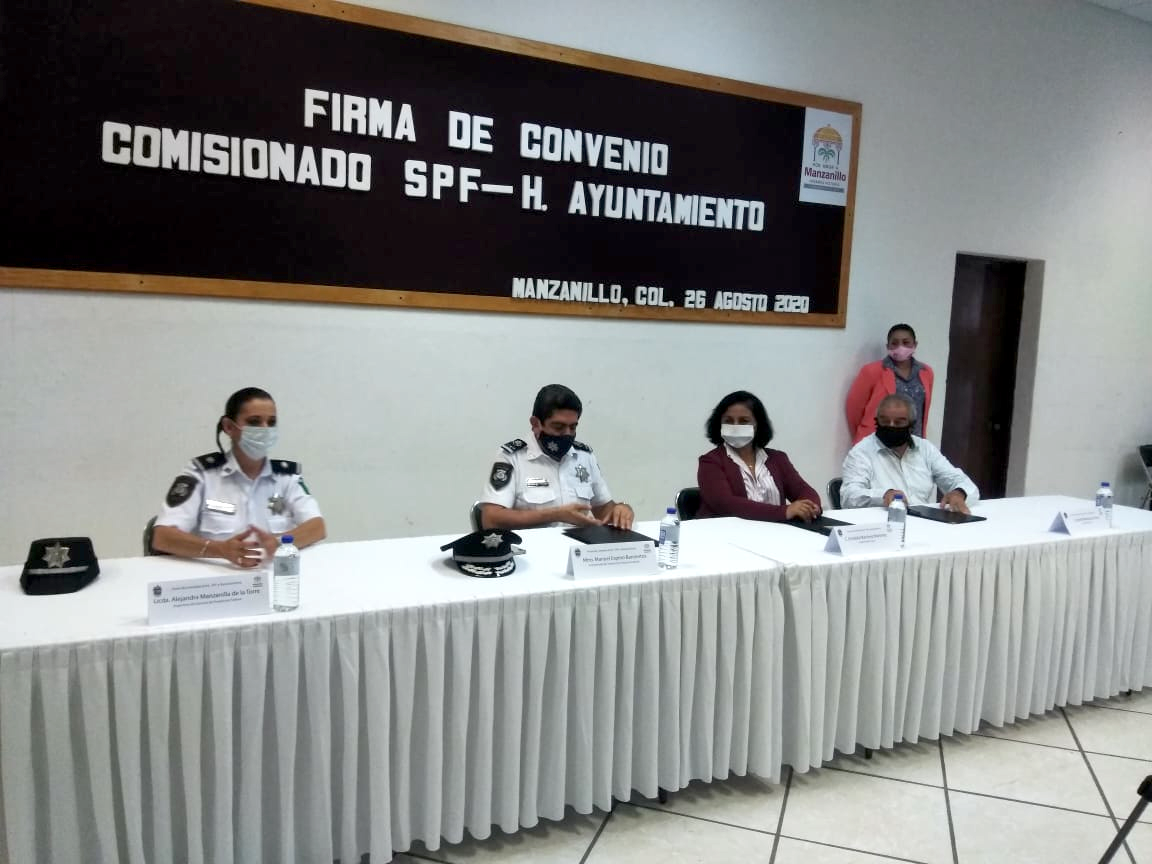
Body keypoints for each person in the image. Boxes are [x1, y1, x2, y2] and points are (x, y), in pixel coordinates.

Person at [151, 387, 326, 566]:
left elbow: (317, 526)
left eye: (271, 422)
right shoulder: (202, 474)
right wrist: (219, 549)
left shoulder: (285, 476)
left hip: (275, 575)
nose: (265, 429)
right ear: (229, 427)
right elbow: (162, 537)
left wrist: (278, 543)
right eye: (254, 422)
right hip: (217, 577)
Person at [480, 384, 634, 530]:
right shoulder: (512, 458)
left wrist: (621, 509)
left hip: (579, 547)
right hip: (531, 547)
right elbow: (491, 520)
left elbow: (604, 510)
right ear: (536, 424)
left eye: (573, 427)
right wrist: (555, 515)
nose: (567, 434)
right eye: (558, 427)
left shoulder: (584, 456)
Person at [697, 390, 822, 521]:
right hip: (727, 532)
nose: (735, 426)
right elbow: (726, 505)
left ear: (758, 425)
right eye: (728, 421)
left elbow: (804, 490)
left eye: (744, 421)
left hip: (777, 530)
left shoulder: (778, 459)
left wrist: (811, 507)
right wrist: (784, 511)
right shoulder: (710, 462)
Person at [840, 393, 978, 512]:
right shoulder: (861, 452)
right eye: (885, 421)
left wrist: (959, 493)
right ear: (877, 421)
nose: (891, 426)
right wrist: (884, 495)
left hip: (924, 524)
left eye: (899, 423)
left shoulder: (925, 449)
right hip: (882, 524)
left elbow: (963, 482)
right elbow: (848, 497)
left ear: (911, 425)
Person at [845, 323, 935, 445]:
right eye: (895, 343)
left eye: (906, 342)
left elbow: (923, 410)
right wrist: (864, 435)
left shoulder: (926, 372)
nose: (900, 347)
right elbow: (854, 409)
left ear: (915, 344)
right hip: (878, 441)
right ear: (888, 346)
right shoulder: (872, 371)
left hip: (913, 441)